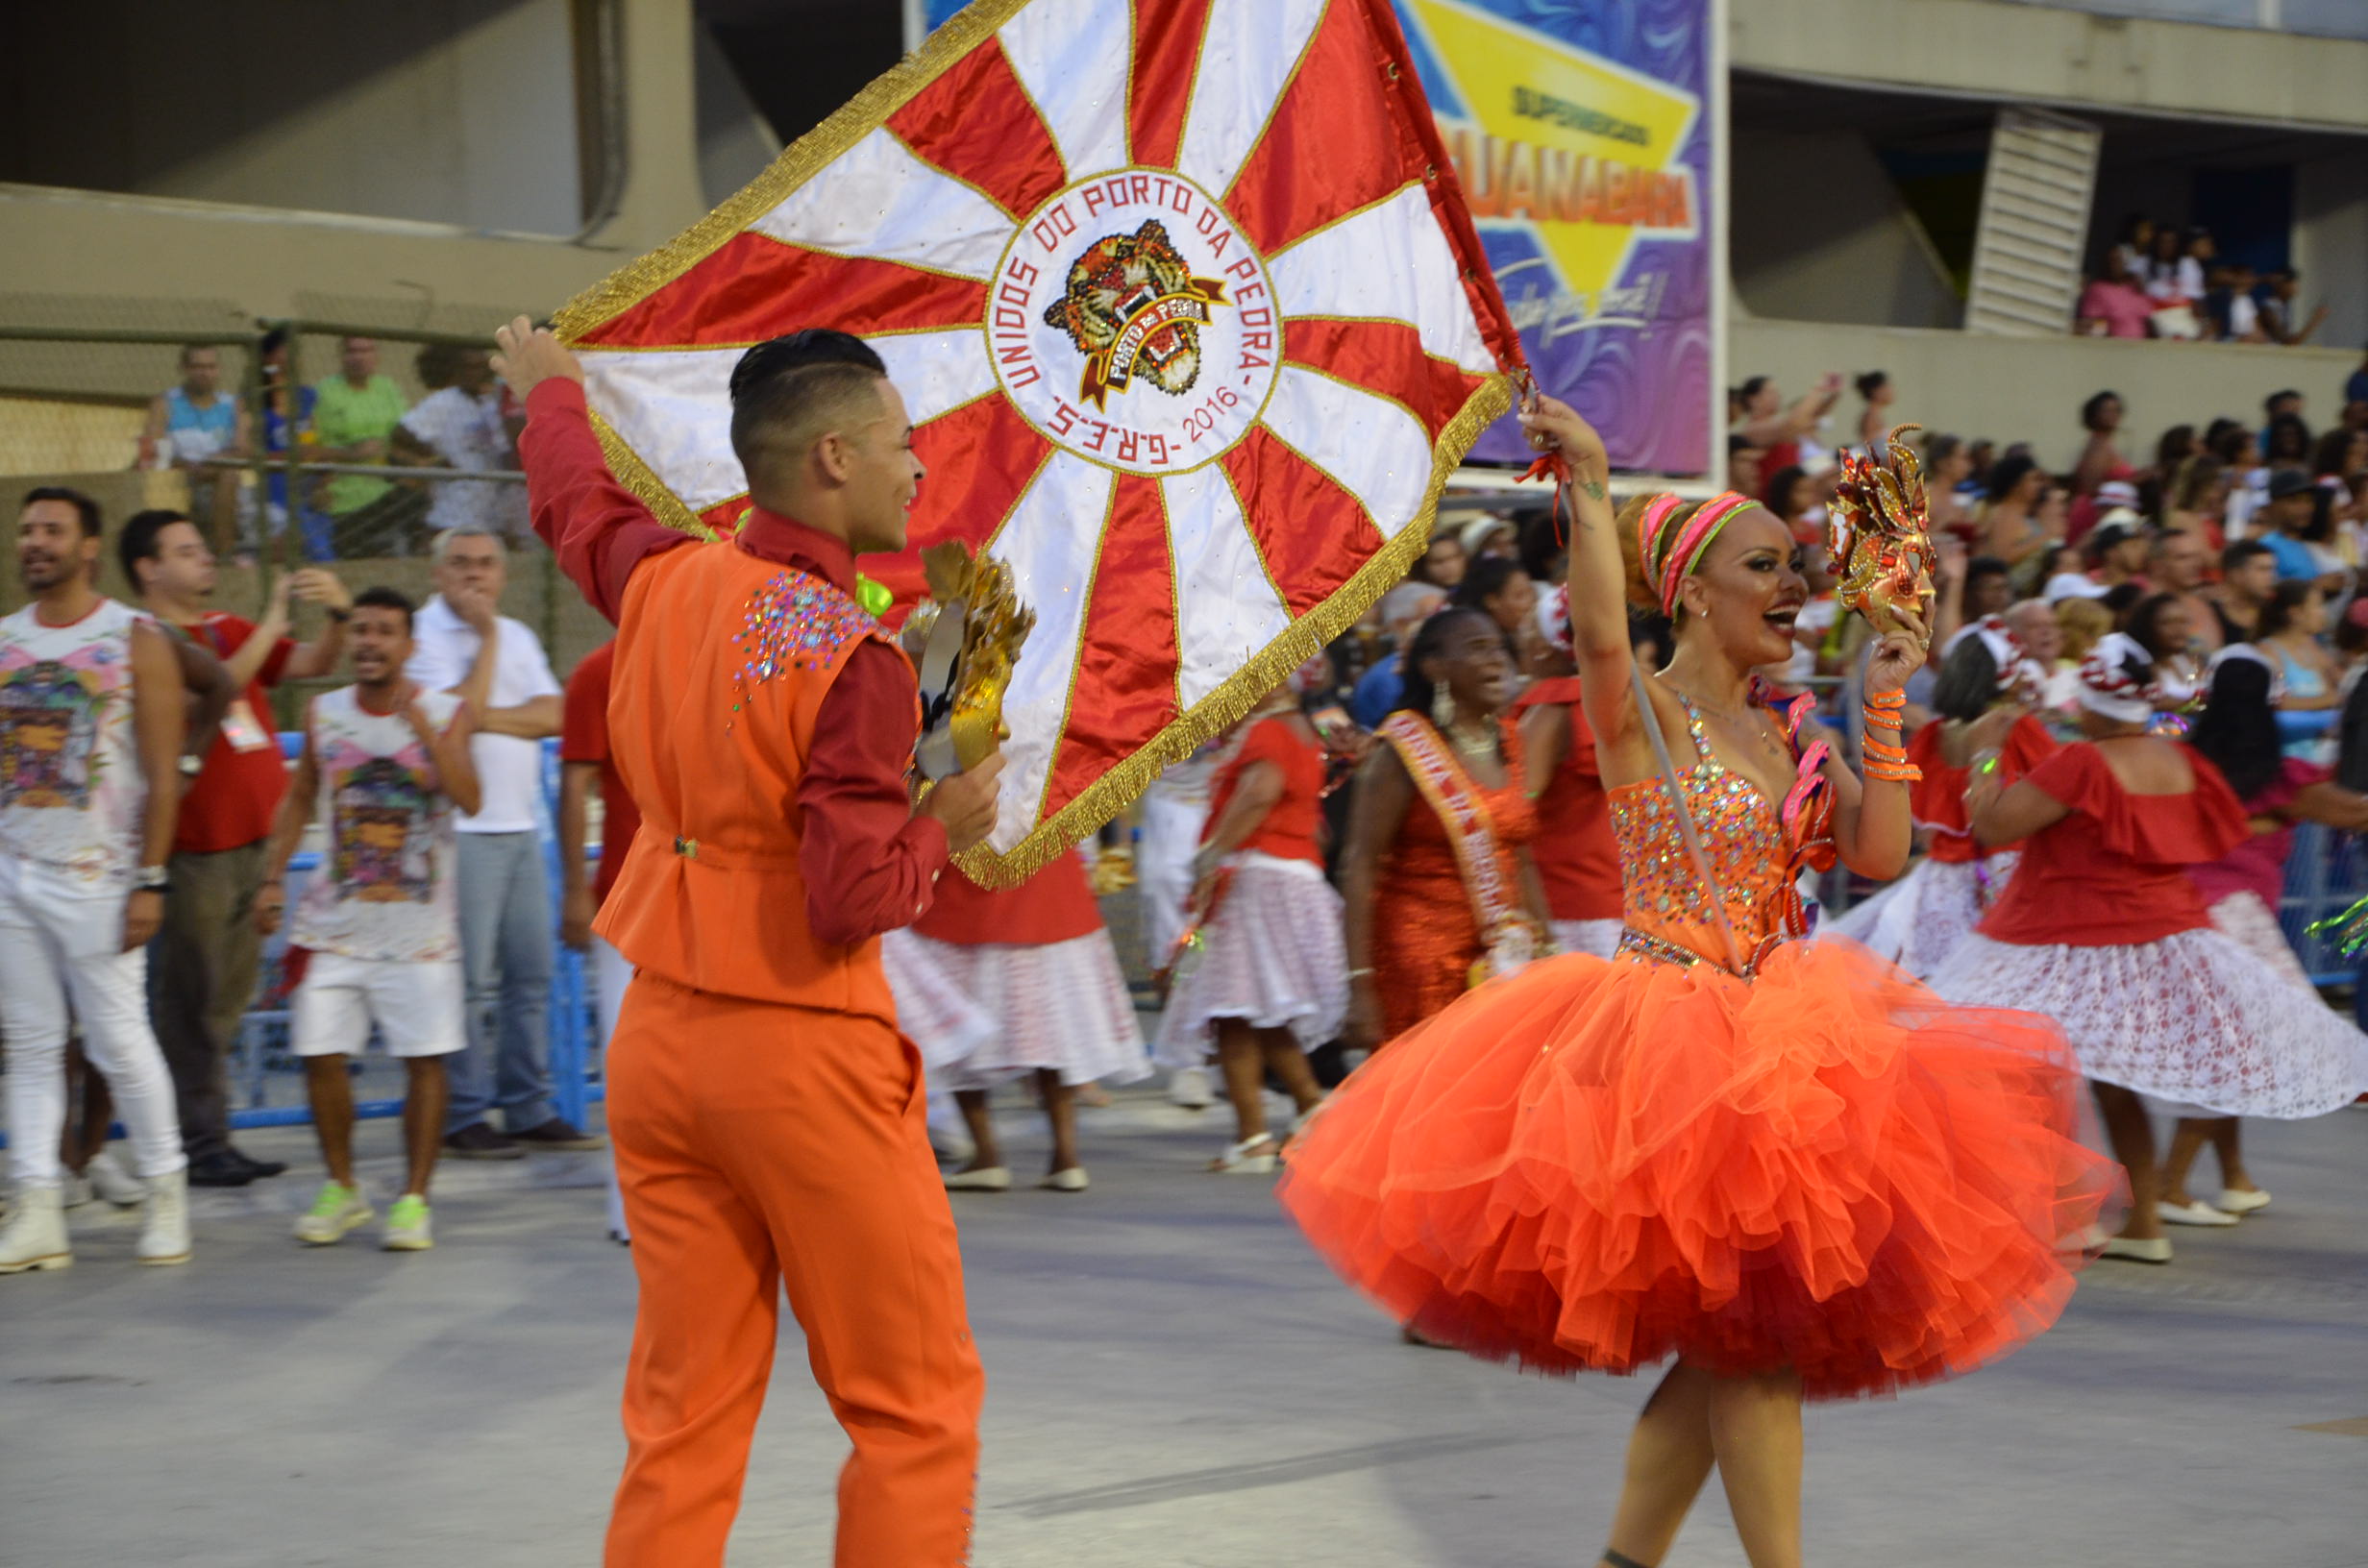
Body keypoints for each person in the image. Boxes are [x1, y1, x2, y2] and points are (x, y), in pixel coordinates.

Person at [1286, 400, 2115, 1568]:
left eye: (1796, 566)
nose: (1794, 585)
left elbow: (1878, 854)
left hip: (1791, 1041)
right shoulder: (1645, 715)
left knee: (1734, 1348)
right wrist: (1584, 485)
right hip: (1670, 1047)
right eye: (1764, 565)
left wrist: (1881, 698)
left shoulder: (1791, 728)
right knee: (1750, 1351)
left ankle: (1627, 1562)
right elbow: (1595, 640)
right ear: (1688, 591)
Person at [500, 317, 1003, 1565]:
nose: (917, 470)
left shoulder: (663, 580)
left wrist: (550, 398)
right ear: (832, 457)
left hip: (663, 1041)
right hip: (802, 1054)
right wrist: (942, 823)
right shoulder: (859, 656)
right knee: (912, 1411)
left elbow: (576, 507)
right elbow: (852, 897)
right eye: (900, 446)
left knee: (684, 1415)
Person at [1930, 634, 2368, 1262]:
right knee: (2103, 1081)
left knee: (2006, 1060)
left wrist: (1986, 752)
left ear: (2094, 701)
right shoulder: (2182, 763)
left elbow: (1993, 824)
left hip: (2064, 938)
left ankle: (2072, 1210)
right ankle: (2138, 1225)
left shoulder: (2083, 762)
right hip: (2158, 935)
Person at [117, 507, 353, 1188]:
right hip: (195, 848)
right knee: (188, 1000)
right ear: (148, 568)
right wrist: (274, 624)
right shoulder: (148, 639)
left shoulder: (228, 629)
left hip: (255, 845)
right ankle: (195, 1142)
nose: (205, 561)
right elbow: (210, 696)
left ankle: (210, 1133)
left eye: (202, 548)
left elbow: (309, 664)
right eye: (186, 552)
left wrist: (335, 617)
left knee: (227, 998)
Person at [0, 488, 194, 1273]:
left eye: (52, 530)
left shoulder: (132, 638)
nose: (35, 542)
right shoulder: (5, 640)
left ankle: (167, 1190)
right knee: (33, 1047)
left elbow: (162, 772)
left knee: (116, 1041)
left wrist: (151, 879)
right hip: (13, 874)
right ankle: (37, 1204)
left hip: (101, 877)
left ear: (88, 547)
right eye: (26, 531)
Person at [254, 588, 480, 1251]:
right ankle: (343, 1188)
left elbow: (469, 796)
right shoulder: (323, 713)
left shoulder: (446, 711)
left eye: (385, 632)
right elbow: (299, 800)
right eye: (361, 631)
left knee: (422, 1061)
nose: (369, 643)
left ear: (410, 647)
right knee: (320, 1052)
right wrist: (272, 878)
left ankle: (413, 1200)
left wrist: (426, 731)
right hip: (336, 923)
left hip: (419, 930)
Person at [403, 527, 592, 1158]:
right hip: (460, 832)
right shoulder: (423, 636)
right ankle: (462, 1114)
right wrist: (482, 641)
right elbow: (448, 718)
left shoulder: (520, 635)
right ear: (437, 573)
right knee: (470, 982)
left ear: (503, 574)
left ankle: (527, 1104)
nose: (474, 576)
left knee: (530, 976)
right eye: (460, 564)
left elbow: (556, 715)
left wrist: (482, 715)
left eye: (486, 564)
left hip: (520, 826)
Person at [2161, 650, 2368, 1224]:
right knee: (2235, 1058)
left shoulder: (2181, 764)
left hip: (2178, 918)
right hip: (2237, 922)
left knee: (2227, 1050)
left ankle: (2234, 1178)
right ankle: (2168, 1187)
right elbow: (2356, 814)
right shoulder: (2282, 780)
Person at [1337, 604, 1547, 1049]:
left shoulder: (1511, 739)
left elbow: (1521, 853)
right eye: (1476, 648)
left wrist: (1546, 942)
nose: (1496, 659)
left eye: (1498, 647)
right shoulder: (1403, 750)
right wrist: (1359, 984)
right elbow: (1359, 866)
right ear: (1435, 668)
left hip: (1501, 959)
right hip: (1423, 966)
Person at [1155, 684, 1346, 1173]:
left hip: (1256, 875)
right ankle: (1308, 1110)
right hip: (1286, 874)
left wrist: (1209, 858)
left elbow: (1260, 793)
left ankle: (1253, 1137)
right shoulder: (1299, 728)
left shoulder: (1267, 729)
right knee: (1260, 1007)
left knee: (1231, 1008)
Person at [904, 853, 1150, 1192]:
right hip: (1051, 885)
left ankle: (987, 1155)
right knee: (1054, 1030)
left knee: (961, 1028)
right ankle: (1066, 1157)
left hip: (971, 889)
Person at [1831, 622, 2057, 975]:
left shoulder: (1934, 735)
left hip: (1937, 882)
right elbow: (2053, 790)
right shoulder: (2014, 726)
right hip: (2007, 875)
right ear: (2003, 674)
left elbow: (1920, 820)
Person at [558, 638, 640, 1241]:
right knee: (627, 1056)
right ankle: (629, 1212)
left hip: (717, 893)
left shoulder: (722, 652)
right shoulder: (598, 671)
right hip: (628, 899)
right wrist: (574, 891)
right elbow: (575, 784)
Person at [1512, 588, 1621, 959]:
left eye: (1529, 624)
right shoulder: (1615, 697)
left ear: (1547, 645)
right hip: (1611, 894)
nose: (1519, 635)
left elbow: (1516, 807)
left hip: (1564, 902)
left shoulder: (1552, 708)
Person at [394, 344, 526, 542]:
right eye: (471, 367)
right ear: (457, 371)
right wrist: (437, 457)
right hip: (453, 513)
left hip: (492, 513)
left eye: (482, 367)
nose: (478, 373)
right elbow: (402, 433)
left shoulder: (491, 401)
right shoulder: (444, 402)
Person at [310, 335, 415, 551]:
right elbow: (308, 449)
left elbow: (405, 435)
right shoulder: (322, 394)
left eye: (366, 351)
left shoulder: (388, 389)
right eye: (352, 351)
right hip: (343, 496)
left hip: (386, 487)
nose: (359, 358)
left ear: (377, 356)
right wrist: (351, 454)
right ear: (341, 356)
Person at [2209, 539, 2278, 647]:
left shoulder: (2277, 615)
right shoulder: (2210, 615)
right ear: (2236, 575)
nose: (2271, 577)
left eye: (2272, 570)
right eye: (2262, 570)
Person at [2076, 251, 2155, 339]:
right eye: (2113, 261)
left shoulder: (2134, 289)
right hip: (2113, 344)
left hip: (2141, 345)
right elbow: (2091, 322)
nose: (2116, 265)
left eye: (2120, 261)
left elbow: (2148, 318)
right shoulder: (2098, 289)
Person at [2258, 271, 2328, 346]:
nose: (2296, 287)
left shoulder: (2282, 307)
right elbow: (2289, 343)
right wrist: (2315, 320)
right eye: (2292, 283)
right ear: (2281, 284)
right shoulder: (2268, 310)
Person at [1853, 370, 1893, 449]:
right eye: (1887, 387)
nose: (1891, 391)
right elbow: (1866, 444)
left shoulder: (1876, 415)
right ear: (1875, 391)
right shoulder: (1871, 416)